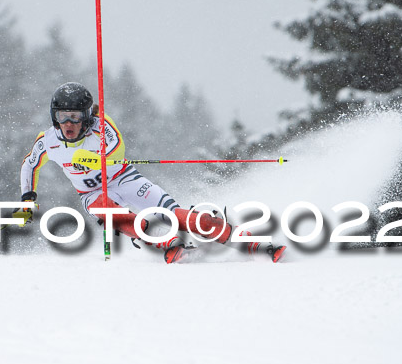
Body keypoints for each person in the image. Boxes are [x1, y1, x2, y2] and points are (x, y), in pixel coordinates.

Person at [16, 82, 285, 264]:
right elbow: (29, 164)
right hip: (92, 193)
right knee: (111, 213)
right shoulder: (48, 140)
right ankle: (162, 242)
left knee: (177, 215)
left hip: (124, 178)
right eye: (62, 116)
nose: (69, 124)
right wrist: (28, 199)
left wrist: (91, 157)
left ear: (87, 116)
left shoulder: (102, 126)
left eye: (75, 116)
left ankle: (249, 241)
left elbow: (117, 150)